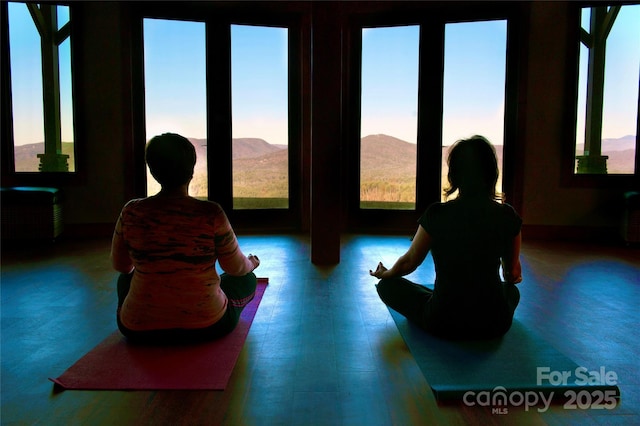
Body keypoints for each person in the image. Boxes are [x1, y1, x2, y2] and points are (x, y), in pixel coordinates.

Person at [110, 132, 260, 344]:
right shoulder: (210, 213)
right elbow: (235, 269)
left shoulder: (131, 211)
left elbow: (122, 267)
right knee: (246, 279)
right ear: (191, 171)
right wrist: (251, 264)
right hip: (208, 326)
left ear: (152, 170)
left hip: (137, 330)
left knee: (125, 279)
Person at [370, 135, 522, 340]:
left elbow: (408, 263)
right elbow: (512, 274)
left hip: (442, 321)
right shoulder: (508, 216)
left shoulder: (437, 214)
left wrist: (385, 274)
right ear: (491, 173)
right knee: (512, 292)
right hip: (494, 324)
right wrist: (509, 270)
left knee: (387, 286)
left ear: (455, 174)